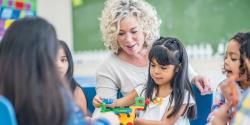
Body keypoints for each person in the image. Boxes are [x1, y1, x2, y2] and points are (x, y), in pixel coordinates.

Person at [0, 17, 114, 125]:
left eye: (63, 60)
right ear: (45, 56)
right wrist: (107, 121)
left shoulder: (5, 98)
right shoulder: (54, 98)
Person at [96, 0, 211, 103]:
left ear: (145, 28)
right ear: (113, 34)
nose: (128, 40)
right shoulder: (108, 67)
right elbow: (106, 109)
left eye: (134, 31)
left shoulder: (163, 49)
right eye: (121, 33)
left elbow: (188, 73)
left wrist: (196, 78)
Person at [94, 37, 196, 125]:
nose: (156, 71)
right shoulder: (143, 90)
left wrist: (131, 119)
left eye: (163, 68)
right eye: (152, 65)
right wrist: (102, 102)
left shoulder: (182, 96)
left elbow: (164, 123)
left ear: (177, 68)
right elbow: (119, 103)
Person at [207, 32, 250, 125]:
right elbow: (214, 116)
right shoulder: (223, 88)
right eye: (226, 57)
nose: (226, 61)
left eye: (233, 58)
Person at [56, 40, 88, 115]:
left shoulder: (76, 91)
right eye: (53, 59)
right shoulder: (38, 90)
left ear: (69, 62)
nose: (59, 65)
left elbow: (82, 120)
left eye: (63, 60)